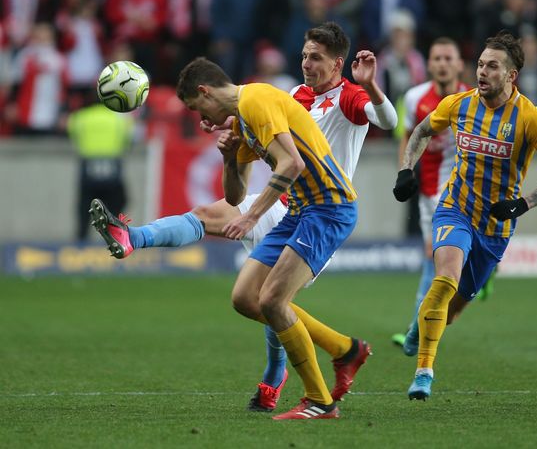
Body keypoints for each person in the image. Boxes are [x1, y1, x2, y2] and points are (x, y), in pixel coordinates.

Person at [90, 22, 397, 416]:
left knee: (272, 299)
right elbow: (236, 193)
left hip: (326, 205)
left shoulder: (339, 97)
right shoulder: (285, 98)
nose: (305, 63)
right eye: (303, 55)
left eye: (315, 57)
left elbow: (308, 154)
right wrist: (230, 151)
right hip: (292, 202)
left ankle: (311, 393)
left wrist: (251, 216)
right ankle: (342, 350)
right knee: (246, 296)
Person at [392, 31, 537, 400]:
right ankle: (424, 372)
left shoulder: (531, 119)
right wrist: (405, 170)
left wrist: (522, 204)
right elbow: (421, 131)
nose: (482, 71)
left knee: (455, 308)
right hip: (454, 208)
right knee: (444, 280)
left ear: (511, 75)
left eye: (492, 66)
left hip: (494, 227)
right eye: (479, 64)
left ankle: (418, 328)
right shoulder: (459, 103)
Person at [390, 37, 470, 355]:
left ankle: (415, 330)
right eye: (436, 58)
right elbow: (408, 137)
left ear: (459, 65)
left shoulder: (473, 99)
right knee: (436, 258)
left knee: (432, 255)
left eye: (448, 58)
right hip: (428, 190)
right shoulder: (413, 98)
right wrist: (404, 170)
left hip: (463, 188)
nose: (442, 64)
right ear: (429, 63)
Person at [70, 92, 134, 241]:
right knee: (118, 202)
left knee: (85, 206)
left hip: (88, 167)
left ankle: (81, 240)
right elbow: (128, 139)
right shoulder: (120, 118)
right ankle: (116, 237)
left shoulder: (80, 117)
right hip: (112, 166)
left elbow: (73, 135)